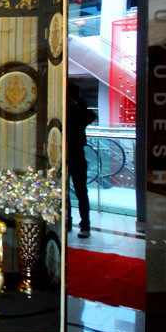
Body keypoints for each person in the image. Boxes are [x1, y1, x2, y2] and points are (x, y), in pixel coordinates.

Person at [66, 83, 97, 238]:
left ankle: (85, 224)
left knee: (81, 191)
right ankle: (68, 221)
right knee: (66, 192)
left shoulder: (79, 111)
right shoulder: (66, 111)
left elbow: (90, 116)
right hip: (67, 154)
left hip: (76, 154)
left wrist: (77, 103)